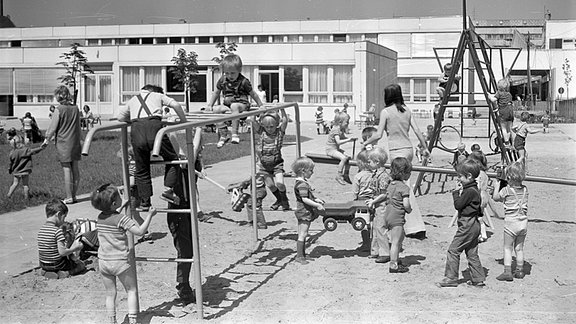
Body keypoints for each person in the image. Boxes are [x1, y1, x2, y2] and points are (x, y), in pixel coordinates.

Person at [362, 83, 428, 237]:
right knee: (405, 186)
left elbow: (378, 134)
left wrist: (365, 143)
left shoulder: (386, 112)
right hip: (408, 150)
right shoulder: (406, 110)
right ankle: (410, 225)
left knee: (402, 188)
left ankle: (415, 227)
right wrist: (425, 148)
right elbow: (417, 131)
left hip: (396, 152)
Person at [92, 184, 157, 324]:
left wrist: (121, 207)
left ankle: (112, 321)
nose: (122, 197)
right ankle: (133, 321)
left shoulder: (100, 218)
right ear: (114, 203)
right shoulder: (122, 219)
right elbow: (139, 231)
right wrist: (150, 215)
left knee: (110, 294)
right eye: (119, 196)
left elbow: (113, 216)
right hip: (119, 262)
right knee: (131, 290)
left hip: (103, 262)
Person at [117, 84, 188, 211]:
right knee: (173, 159)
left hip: (136, 130)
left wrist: (133, 119)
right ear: (154, 92)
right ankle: (168, 190)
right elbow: (176, 105)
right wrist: (184, 121)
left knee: (142, 167)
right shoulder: (158, 95)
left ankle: (145, 201)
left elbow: (120, 117)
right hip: (155, 128)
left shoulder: (133, 99)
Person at [437, 159, 486, 287]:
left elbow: (458, 205)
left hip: (467, 224)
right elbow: (479, 208)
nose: (458, 179)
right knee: (472, 253)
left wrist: (455, 193)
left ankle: (451, 277)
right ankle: (478, 278)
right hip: (474, 224)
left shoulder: (469, 191)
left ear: (469, 176)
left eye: (460, 176)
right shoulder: (475, 189)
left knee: (453, 250)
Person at [206, 54, 264, 148]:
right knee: (216, 109)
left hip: (242, 104)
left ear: (239, 70)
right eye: (227, 73)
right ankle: (224, 133)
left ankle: (235, 133)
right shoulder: (223, 80)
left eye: (232, 73)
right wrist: (210, 105)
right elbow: (216, 93)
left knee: (234, 106)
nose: (229, 76)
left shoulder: (244, 81)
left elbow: (253, 94)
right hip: (228, 104)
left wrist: (260, 105)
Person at [42, 85, 82, 204]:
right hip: (75, 141)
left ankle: (69, 196)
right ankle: (74, 195)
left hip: (63, 142)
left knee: (66, 169)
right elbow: (78, 126)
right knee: (75, 168)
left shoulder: (58, 109)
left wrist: (46, 140)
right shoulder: (76, 108)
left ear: (58, 96)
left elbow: (53, 127)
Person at [492, 161, 529, 281]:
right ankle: (519, 271)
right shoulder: (525, 190)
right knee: (519, 248)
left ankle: (507, 272)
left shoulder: (506, 190)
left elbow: (495, 197)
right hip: (523, 222)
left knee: (507, 247)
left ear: (509, 177)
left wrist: (497, 185)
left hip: (511, 223)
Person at [250, 109, 291, 211]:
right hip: (264, 164)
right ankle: (279, 200)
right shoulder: (261, 132)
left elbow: (285, 121)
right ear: (263, 126)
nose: (269, 129)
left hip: (276, 163)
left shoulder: (279, 132)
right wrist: (257, 112)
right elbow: (253, 121)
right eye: (267, 126)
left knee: (280, 183)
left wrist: (282, 109)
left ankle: (284, 200)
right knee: (271, 185)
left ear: (277, 124)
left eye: (272, 126)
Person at [37, 199, 85, 279]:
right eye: (64, 217)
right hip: (57, 264)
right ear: (59, 215)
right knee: (81, 265)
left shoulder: (41, 230)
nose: (64, 221)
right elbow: (62, 252)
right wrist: (75, 248)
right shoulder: (57, 231)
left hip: (44, 264)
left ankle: (45, 272)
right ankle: (66, 273)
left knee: (53, 262)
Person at [292, 157, 325, 265]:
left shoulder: (302, 183)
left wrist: (316, 199)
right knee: (303, 233)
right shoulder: (302, 184)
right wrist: (316, 205)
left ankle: (303, 254)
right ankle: (299, 256)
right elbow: (304, 199)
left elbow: (308, 196)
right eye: (310, 170)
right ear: (303, 171)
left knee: (304, 233)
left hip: (305, 211)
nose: (312, 172)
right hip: (304, 211)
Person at [383, 157, 413, 273]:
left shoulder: (391, 185)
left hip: (388, 213)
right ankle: (393, 265)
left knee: (399, 238)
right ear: (404, 173)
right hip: (397, 216)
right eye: (409, 172)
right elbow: (406, 204)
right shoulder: (404, 187)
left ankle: (396, 259)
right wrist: (409, 210)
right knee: (395, 242)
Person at [366, 147, 392, 264]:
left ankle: (385, 253)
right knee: (375, 228)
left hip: (382, 205)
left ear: (377, 162)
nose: (368, 163)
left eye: (370, 161)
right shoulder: (376, 174)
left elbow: (383, 194)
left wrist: (373, 201)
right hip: (377, 204)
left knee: (381, 228)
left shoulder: (383, 176)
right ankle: (375, 251)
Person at [7, 133, 45, 199]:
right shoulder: (26, 150)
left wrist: (10, 169)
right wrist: (41, 148)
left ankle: (9, 195)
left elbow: (10, 163)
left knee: (15, 184)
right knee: (25, 185)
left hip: (16, 171)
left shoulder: (12, 153)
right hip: (25, 171)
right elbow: (34, 151)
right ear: (22, 142)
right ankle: (26, 198)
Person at [352, 149, 374, 253]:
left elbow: (355, 192)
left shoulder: (358, 176)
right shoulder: (374, 175)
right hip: (373, 199)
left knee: (363, 223)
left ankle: (366, 243)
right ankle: (374, 242)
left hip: (362, 200)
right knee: (373, 222)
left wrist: (354, 200)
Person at [326, 112, 357, 185]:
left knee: (348, 157)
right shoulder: (335, 130)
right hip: (330, 149)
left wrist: (351, 139)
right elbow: (338, 142)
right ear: (340, 122)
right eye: (347, 122)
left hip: (335, 149)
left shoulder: (340, 129)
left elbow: (343, 138)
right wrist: (349, 140)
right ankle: (339, 175)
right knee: (343, 158)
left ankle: (346, 174)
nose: (348, 124)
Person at [490, 79, 514, 148]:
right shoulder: (509, 94)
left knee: (503, 127)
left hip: (504, 112)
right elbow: (505, 102)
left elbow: (493, 100)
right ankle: (509, 141)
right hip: (510, 111)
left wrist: (488, 95)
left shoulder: (499, 93)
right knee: (509, 128)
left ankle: (506, 142)